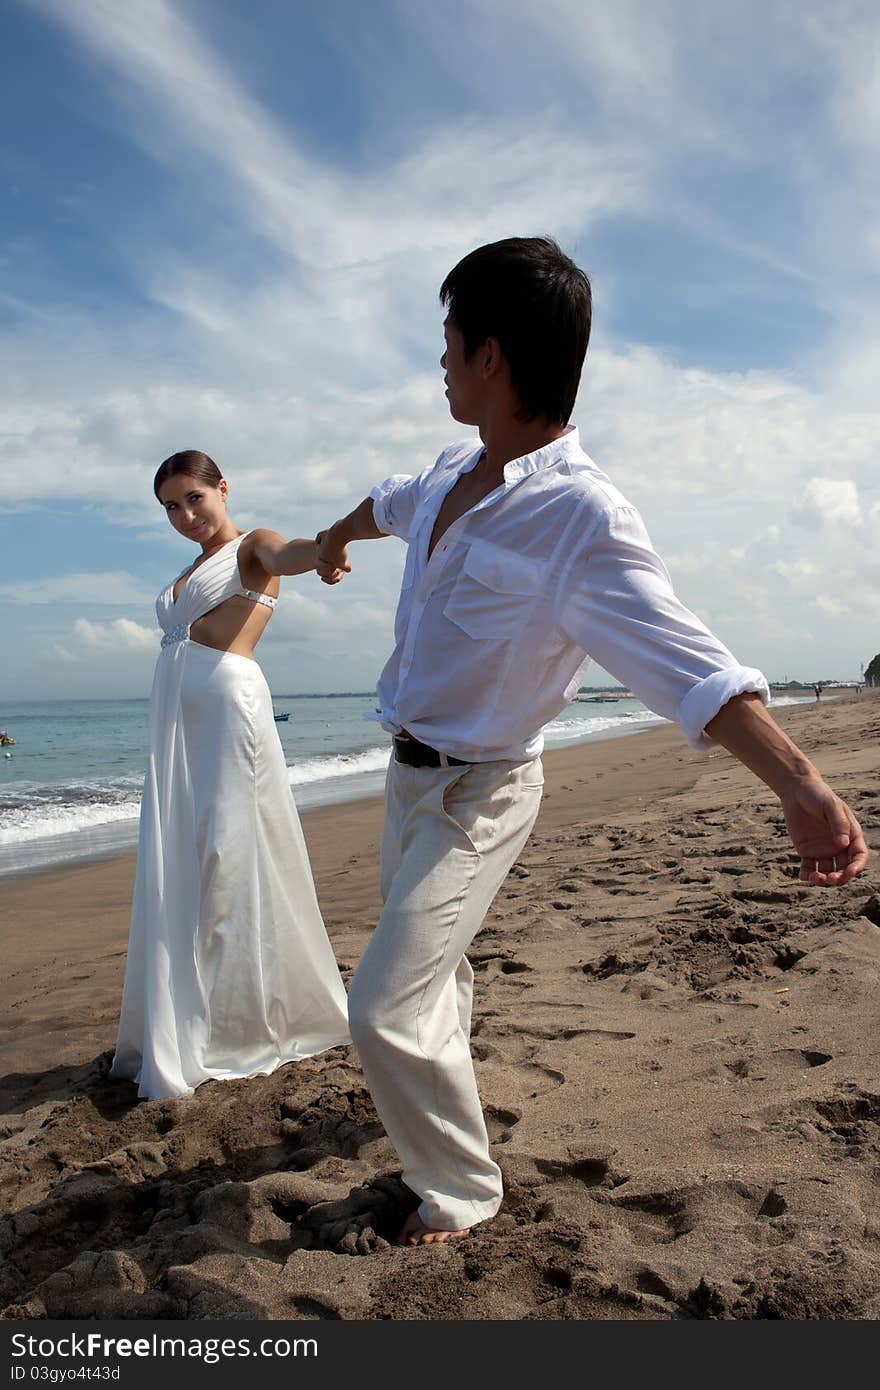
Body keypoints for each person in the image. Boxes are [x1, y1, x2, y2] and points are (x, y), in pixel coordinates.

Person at [314, 236, 870, 1246]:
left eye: (447, 341)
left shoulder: (578, 514)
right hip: (405, 775)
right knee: (427, 974)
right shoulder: (449, 474)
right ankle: (445, 1119)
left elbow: (681, 658)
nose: (437, 362)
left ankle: (459, 1187)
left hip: (482, 793)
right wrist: (329, 544)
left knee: (381, 1004)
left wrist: (800, 784)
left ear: (490, 355)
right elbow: (384, 501)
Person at [111, 451, 350, 1100]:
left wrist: (325, 552)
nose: (184, 515)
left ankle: (239, 1025)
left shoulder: (251, 548)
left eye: (194, 498)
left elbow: (286, 553)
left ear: (223, 488)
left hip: (229, 714)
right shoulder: (190, 568)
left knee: (230, 859)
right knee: (187, 857)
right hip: (180, 729)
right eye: (170, 506)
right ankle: (191, 1017)